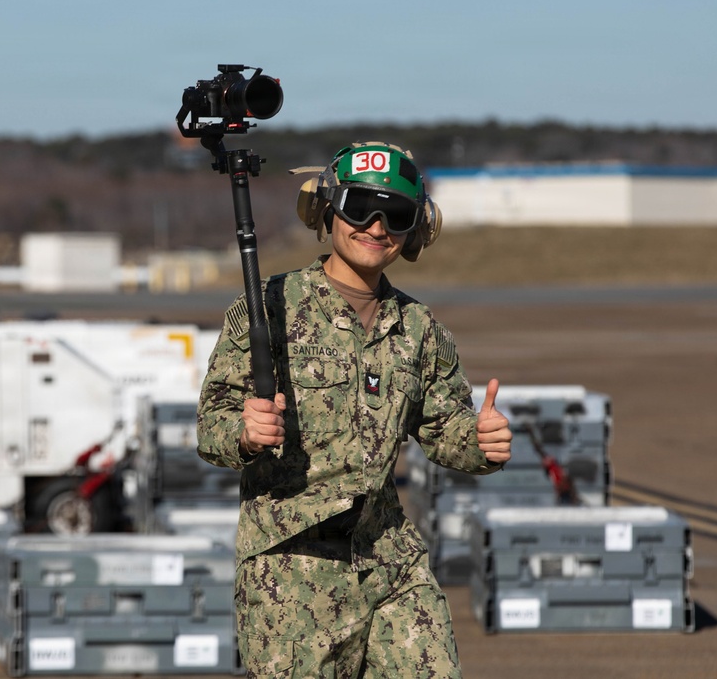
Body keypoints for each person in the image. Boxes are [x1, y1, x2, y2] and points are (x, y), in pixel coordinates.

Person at [197, 141, 512, 678]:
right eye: (359, 206)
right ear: (326, 209)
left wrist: (480, 443)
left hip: (390, 561)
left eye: (395, 214)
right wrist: (245, 434)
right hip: (291, 574)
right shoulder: (269, 308)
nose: (375, 225)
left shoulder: (419, 328)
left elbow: (444, 430)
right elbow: (212, 426)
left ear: (417, 229)